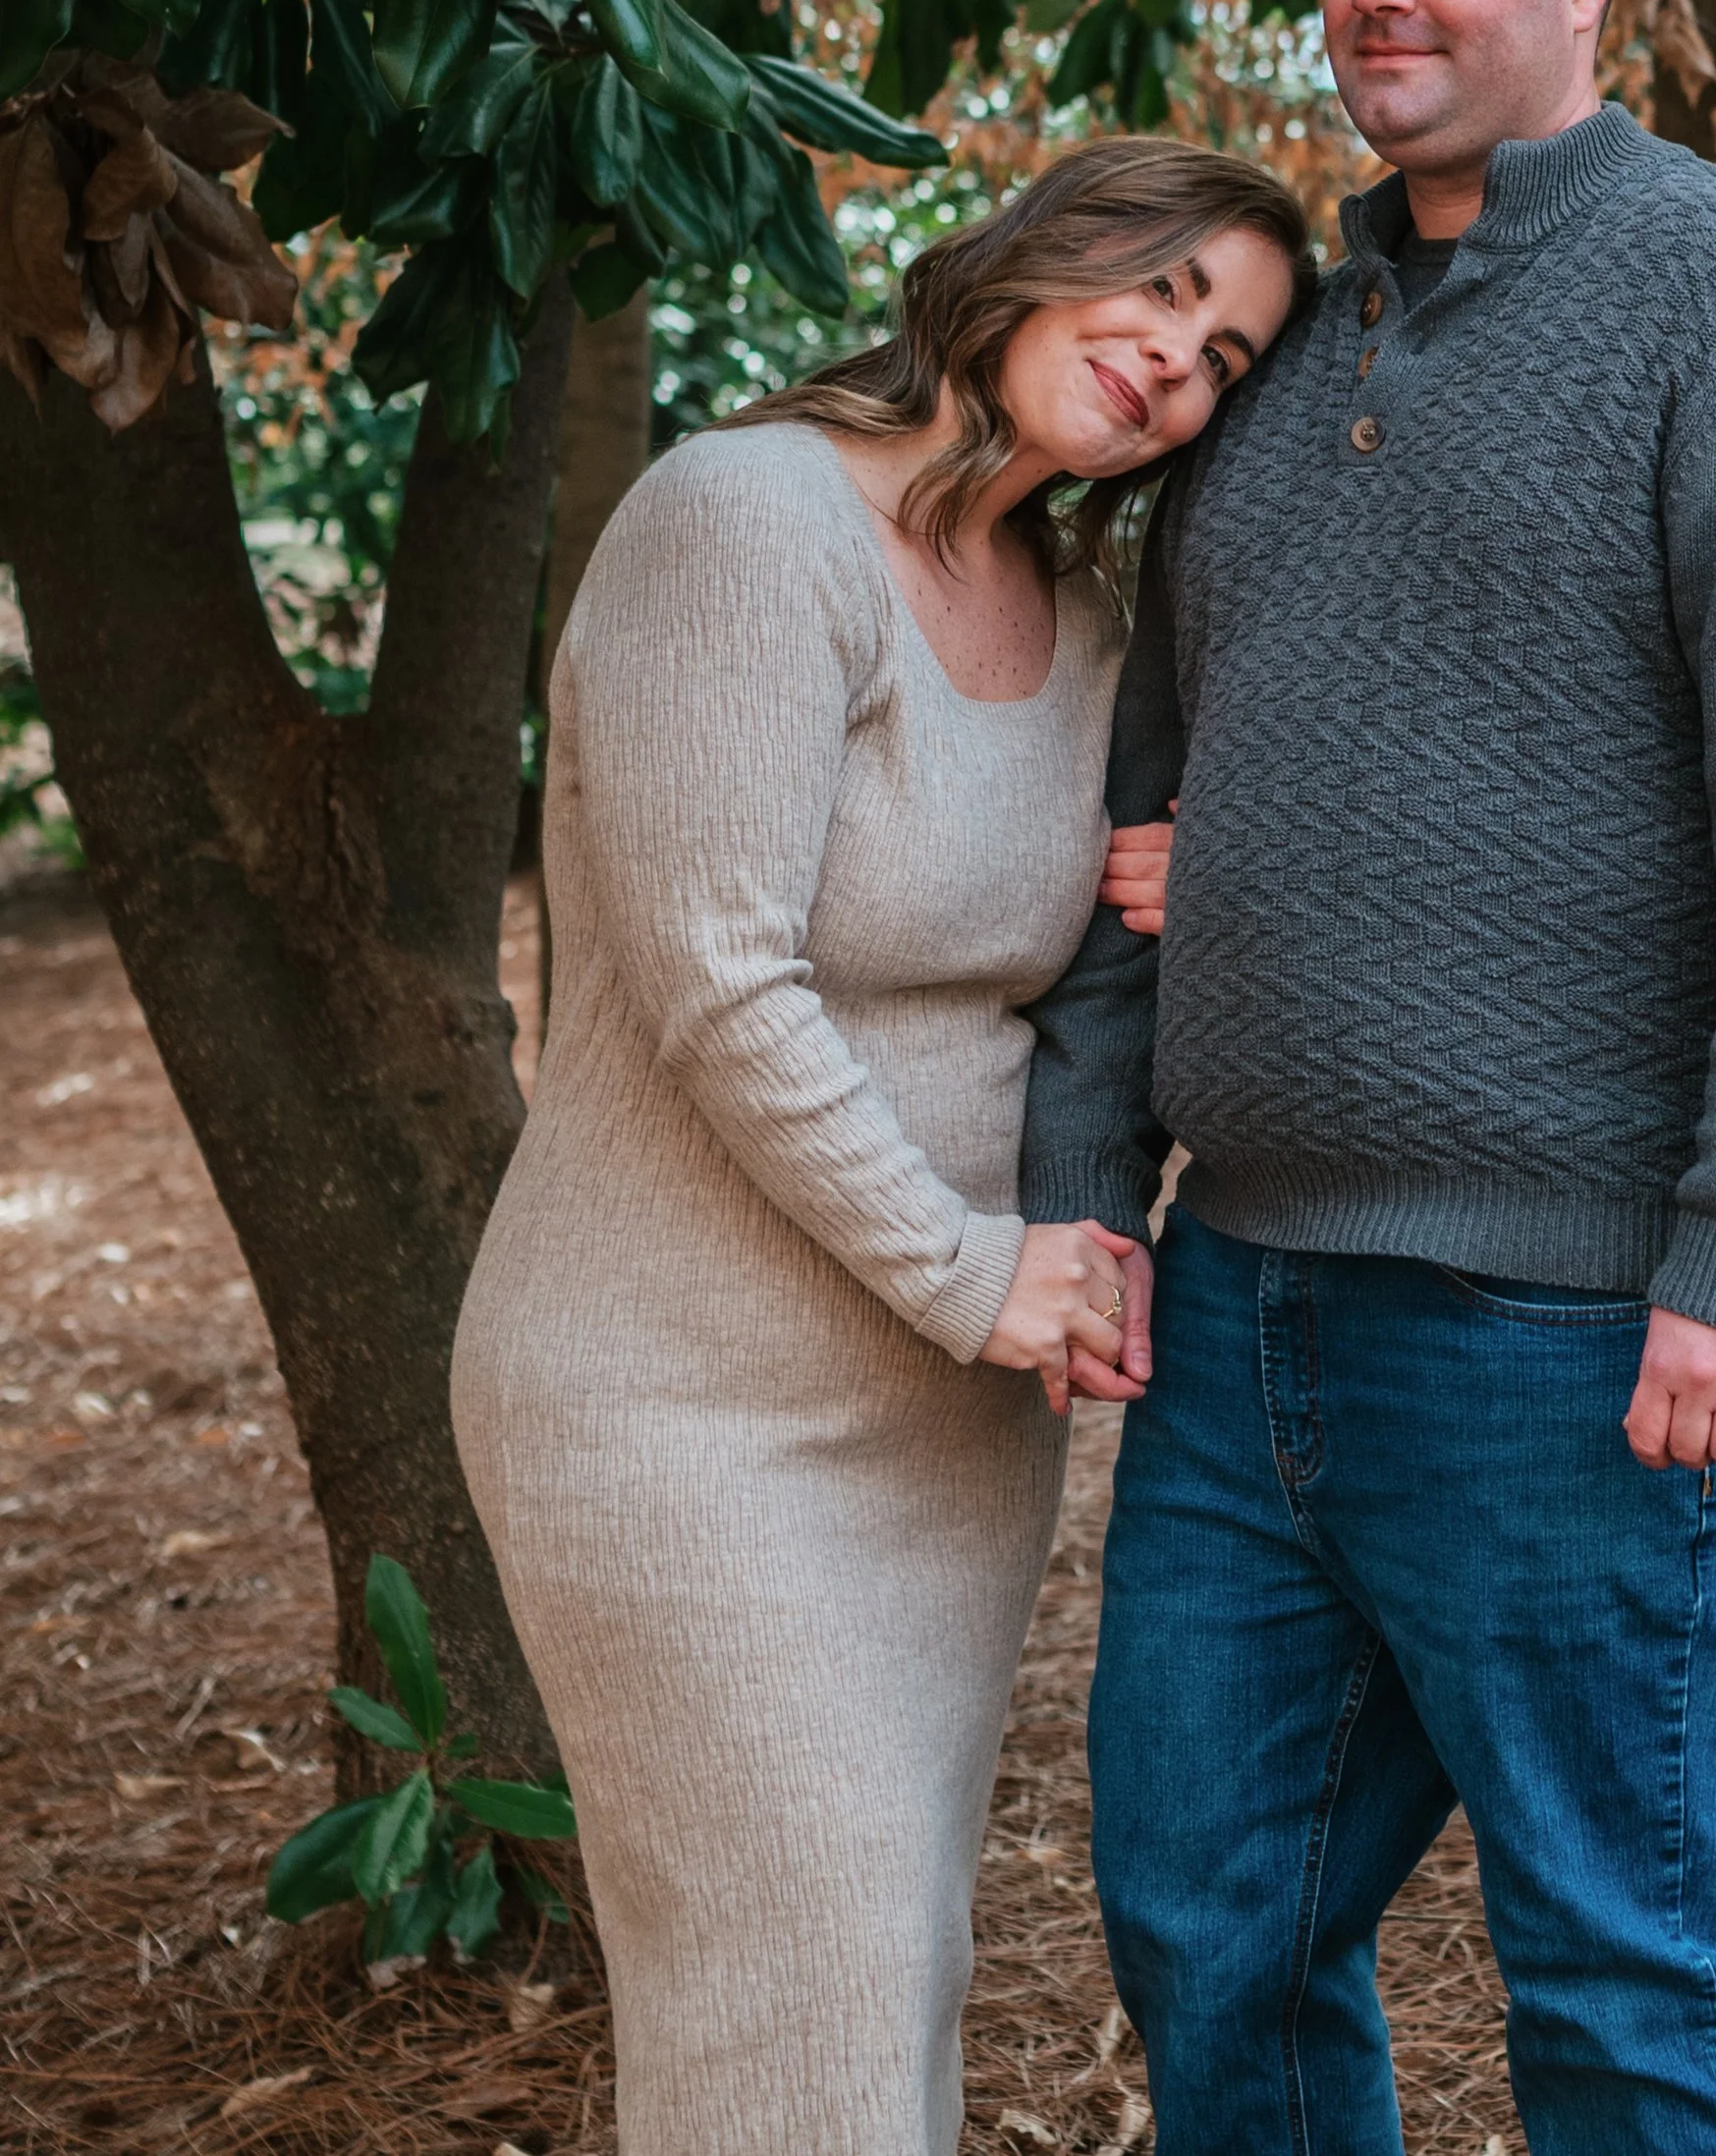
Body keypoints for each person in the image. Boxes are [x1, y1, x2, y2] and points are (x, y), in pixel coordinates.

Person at [1022, 0, 1716, 2156]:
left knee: (1627, 1978)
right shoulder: (1278, 351)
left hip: (1576, 1343)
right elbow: (1155, 800)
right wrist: (1081, 1188)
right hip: (1243, 1320)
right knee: (1205, 1930)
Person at [452, 141, 1307, 2156]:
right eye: (1163, 287)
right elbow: (711, 979)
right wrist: (963, 1266)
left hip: (944, 1436)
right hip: (676, 1413)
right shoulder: (745, 522)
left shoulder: (1087, 620)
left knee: (874, 1987)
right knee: (797, 2004)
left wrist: (1236, 880)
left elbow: (1083, 959)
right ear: (1042, 247)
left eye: (1226, 356)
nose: (1175, 360)